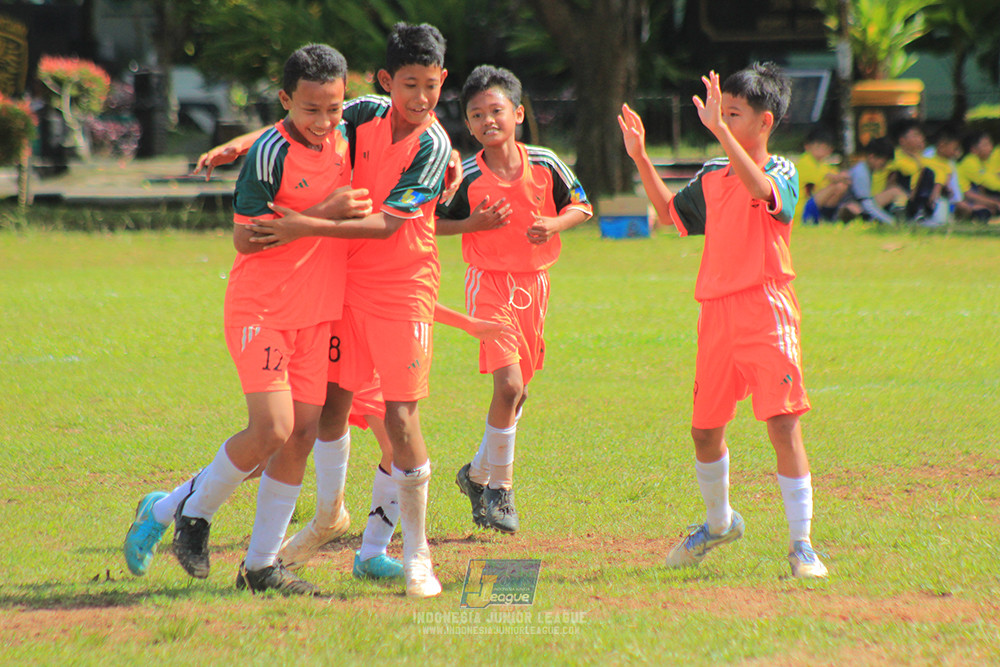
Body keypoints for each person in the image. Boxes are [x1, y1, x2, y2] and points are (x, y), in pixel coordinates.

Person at [123, 44, 370, 596]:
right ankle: (190, 513)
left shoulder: (349, 131)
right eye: (311, 109)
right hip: (263, 308)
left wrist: (444, 153)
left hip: (318, 312)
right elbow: (245, 238)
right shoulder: (269, 153)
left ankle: (259, 565)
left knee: (299, 436)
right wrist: (323, 215)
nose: (324, 120)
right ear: (286, 101)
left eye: (334, 107)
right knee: (273, 429)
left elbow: (403, 112)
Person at [229, 23, 454, 599]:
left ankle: (417, 556)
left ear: (442, 81)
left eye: (431, 86)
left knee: (401, 420)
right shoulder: (362, 112)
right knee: (327, 412)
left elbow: (385, 226)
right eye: (410, 85)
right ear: (386, 82)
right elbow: (309, 117)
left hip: (402, 287)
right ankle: (331, 517)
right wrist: (244, 146)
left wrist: (304, 223)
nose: (421, 98)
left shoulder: (434, 145)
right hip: (343, 284)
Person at [124, 305, 516, 582]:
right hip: (330, 349)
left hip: (373, 354)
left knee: (396, 449)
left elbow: (404, 291)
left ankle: (371, 554)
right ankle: (163, 509)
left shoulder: (388, 218)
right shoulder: (363, 219)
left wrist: (466, 324)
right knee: (275, 451)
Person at [618, 62, 828, 579]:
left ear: (765, 122)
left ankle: (801, 545)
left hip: (765, 308)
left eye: (734, 114)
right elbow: (671, 214)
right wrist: (642, 158)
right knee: (705, 432)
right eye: (720, 112)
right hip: (715, 315)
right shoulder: (712, 175)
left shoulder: (782, 171)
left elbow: (759, 190)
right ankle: (718, 523)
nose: (722, 120)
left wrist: (718, 134)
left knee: (782, 423)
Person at [435, 65, 592, 533]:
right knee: (508, 386)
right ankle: (501, 490)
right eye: (477, 114)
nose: (488, 121)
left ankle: (476, 475)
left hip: (534, 286)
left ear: (518, 113)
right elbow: (426, 221)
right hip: (488, 284)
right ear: (468, 123)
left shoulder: (545, 163)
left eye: (496, 111)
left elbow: (581, 204)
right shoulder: (464, 174)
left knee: (519, 392)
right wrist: (470, 225)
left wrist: (554, 224)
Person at [885, 119, 949, 225]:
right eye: (915, 136)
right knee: (923, 173)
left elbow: (941, 173)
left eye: (920, 135)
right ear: (902, 141)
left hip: (914, 199)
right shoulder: (895, 157)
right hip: (895, 199)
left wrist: (936, 190)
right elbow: (908, 170)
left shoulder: (921, 158)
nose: (921, 139)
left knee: (929, 174)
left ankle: (921, 212)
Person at [793, 126, 851, 224]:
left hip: (814, 202)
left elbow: (838, 176)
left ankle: (826, 218)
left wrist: (844, 177)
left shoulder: (824, 164)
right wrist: (844, 177)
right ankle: (826, 218)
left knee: (840, 186)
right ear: (807, 147)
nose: (821, 151)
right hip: (801, 207)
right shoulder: (804, 162)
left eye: (825, 148)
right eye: (818, 147)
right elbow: (832, 177)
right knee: (835, 186)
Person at [842, 138, 906, 224]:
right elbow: (866, 203)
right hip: (850, 208)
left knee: (895, 191)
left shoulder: (868, 170)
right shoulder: (861, 172)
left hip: (861, 206)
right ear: (872, 157)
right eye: (883, 162)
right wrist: (890, 221)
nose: (884, 166)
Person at [956, 130, 1000, 220]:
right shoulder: (970, 162)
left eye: (990, 144)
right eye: (985, 145)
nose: (990, 148)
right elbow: (992, 184)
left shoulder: (981, 161)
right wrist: (994, 203)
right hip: (963, 199)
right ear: (974, 149)